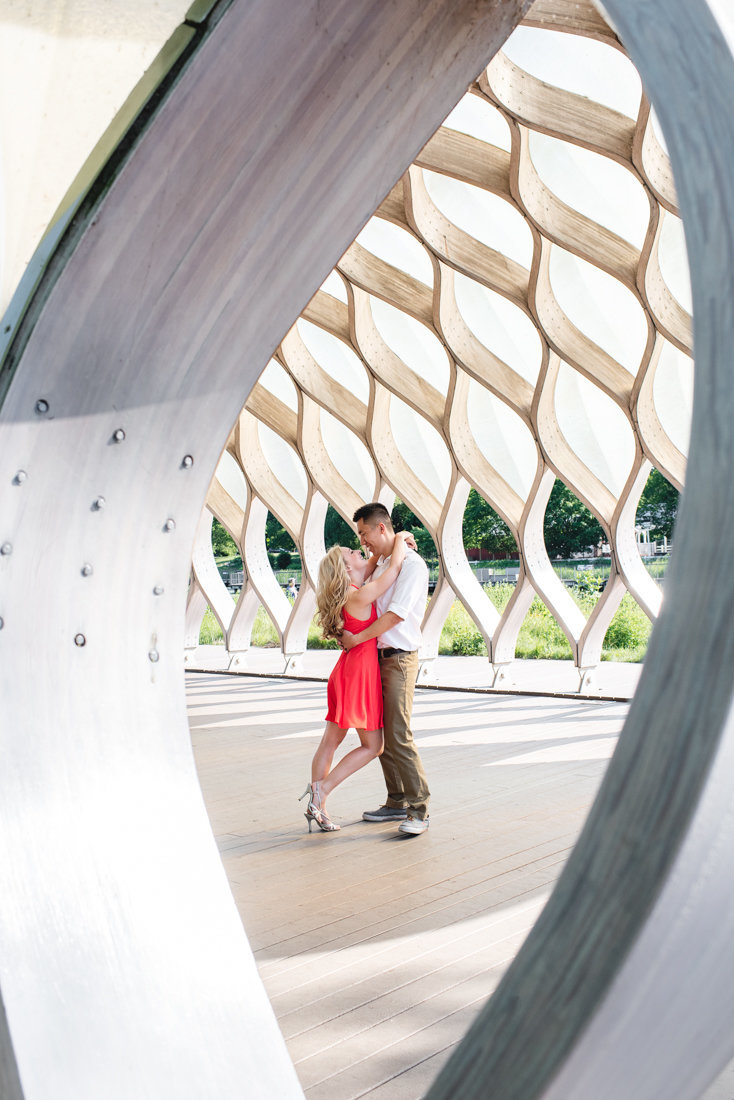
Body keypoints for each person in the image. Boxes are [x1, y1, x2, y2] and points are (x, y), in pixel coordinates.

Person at [299, 533, 411, 832]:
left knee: (330, 741)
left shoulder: (348, 592)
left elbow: (374, 563)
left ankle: (318, 808)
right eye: (353, 552)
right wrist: (400, 538)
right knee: (373, 745)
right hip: (360, 674)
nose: (360, 551)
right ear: (346, 567)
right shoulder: (359, 595)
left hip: (346, 672)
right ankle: (321, 791)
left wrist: (379, 552)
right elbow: (394, 568)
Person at [341, 502, 430, 836]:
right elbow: (363, 578)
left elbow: (395, 615)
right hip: (377, 659)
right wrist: (392, 546)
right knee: (382, 735)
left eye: (364, 533)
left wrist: (357, 638)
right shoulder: (383, 564)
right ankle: (396, 801)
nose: (362, 541)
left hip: (399, 658)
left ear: (381, 528)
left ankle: (419, 810)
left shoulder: (413, 566)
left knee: (398, 734)